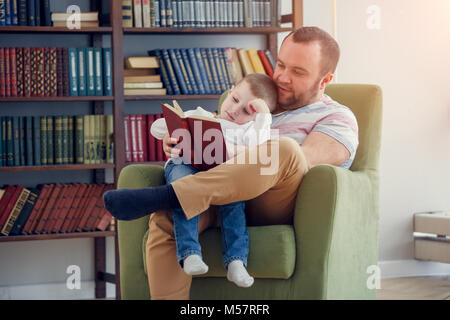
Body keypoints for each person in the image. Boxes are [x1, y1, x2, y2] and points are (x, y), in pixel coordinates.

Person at [106, 26, 359, 299]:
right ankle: (176, 198)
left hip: (271, 203)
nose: (283, 77)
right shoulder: (257, 97)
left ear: (325, 80)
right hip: (221, 195)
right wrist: (183, 141)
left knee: (283, 150)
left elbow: (301, 161)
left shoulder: (337, 118)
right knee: (168, 217)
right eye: (281, 65)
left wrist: (238, 144)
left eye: (298, 72)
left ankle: (170, 194)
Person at [149, 73, 277, 288]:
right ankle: (190, 253)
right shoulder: (201, 115)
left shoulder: (247, 132)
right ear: (230, 91)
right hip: (185, 165)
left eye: (247, 111)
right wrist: (171, 132)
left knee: (235, 204)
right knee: (184, 191)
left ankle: (236, 261)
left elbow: (260, 148)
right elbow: (157, 128)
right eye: (235, 99)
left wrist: (263, 116)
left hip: (222, 175)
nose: (235, 110)